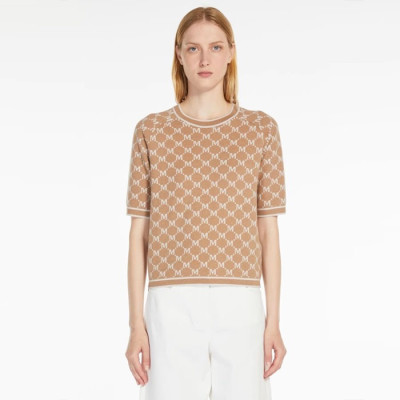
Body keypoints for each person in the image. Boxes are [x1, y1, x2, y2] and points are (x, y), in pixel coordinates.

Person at [125, 6, 287, 400]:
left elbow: (268, 233)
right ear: (179, 54)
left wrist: (273, 322)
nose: (204, 59)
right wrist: (135, 326)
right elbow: (138, 237)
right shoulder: (151, 131)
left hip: (241, 303)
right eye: (193, 48)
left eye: (215, 47)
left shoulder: (261, 129)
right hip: (170, 304)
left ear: (231, 52)